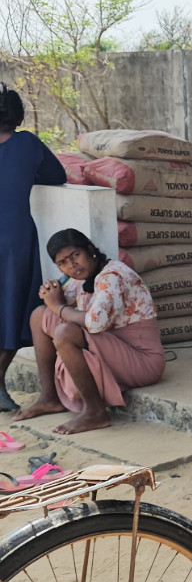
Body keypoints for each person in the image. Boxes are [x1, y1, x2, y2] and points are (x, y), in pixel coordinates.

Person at [13, 229, 164, 434]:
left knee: (65, 332)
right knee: (39, 315)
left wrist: (57, 306)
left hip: (142, 359)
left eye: (76, 255)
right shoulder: (80, 278)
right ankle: (50, 397)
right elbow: (58, 303)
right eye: (63, 263)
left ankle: (95, 412)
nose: (72, 266)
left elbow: (94, 323)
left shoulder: (113, 275)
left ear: (90, 250)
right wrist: (51, 294)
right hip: (112, 348)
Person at [0, 83, 67, 412]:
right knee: (14, 310)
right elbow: (57, 174)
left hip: (13, 236)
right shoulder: (26, 143)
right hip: (14, 238)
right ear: (16, 116)